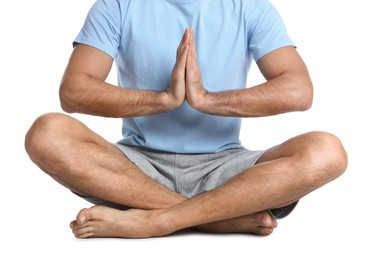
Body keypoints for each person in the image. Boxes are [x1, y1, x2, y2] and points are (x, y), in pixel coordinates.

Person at [24, 0, 348, 239]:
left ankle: (157, 220)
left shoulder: (251, 7)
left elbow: (298, 91)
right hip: (135, 169)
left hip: (227, 168)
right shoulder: (116, 5)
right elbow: (74, 92)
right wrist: (163, 99)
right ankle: (217, 219)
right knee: (47, 132)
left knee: (326, 151)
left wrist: (206, 100)